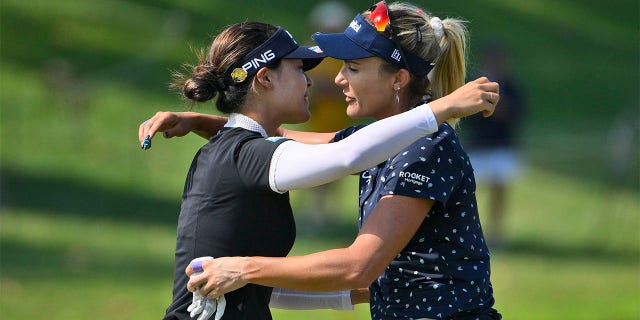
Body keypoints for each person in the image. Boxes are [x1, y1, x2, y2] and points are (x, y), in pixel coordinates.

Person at [138, 18, 499, 320]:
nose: (334, 79)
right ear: (264, 78)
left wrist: (244, 268)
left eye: (353, 68)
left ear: (398, 78)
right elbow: (337, 152)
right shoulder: (371, 142)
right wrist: (444, 107)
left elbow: (320, 151)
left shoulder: (422, 145)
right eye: (301, 69)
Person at [463, 41, 527, 247]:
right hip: (479, 146)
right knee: (467, 192)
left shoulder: (512, 85)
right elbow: (467, 115)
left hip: (502, 146)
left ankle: (495, 234)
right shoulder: (474, 85)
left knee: (499, 193)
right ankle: (468, 231)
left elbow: (518, 113)